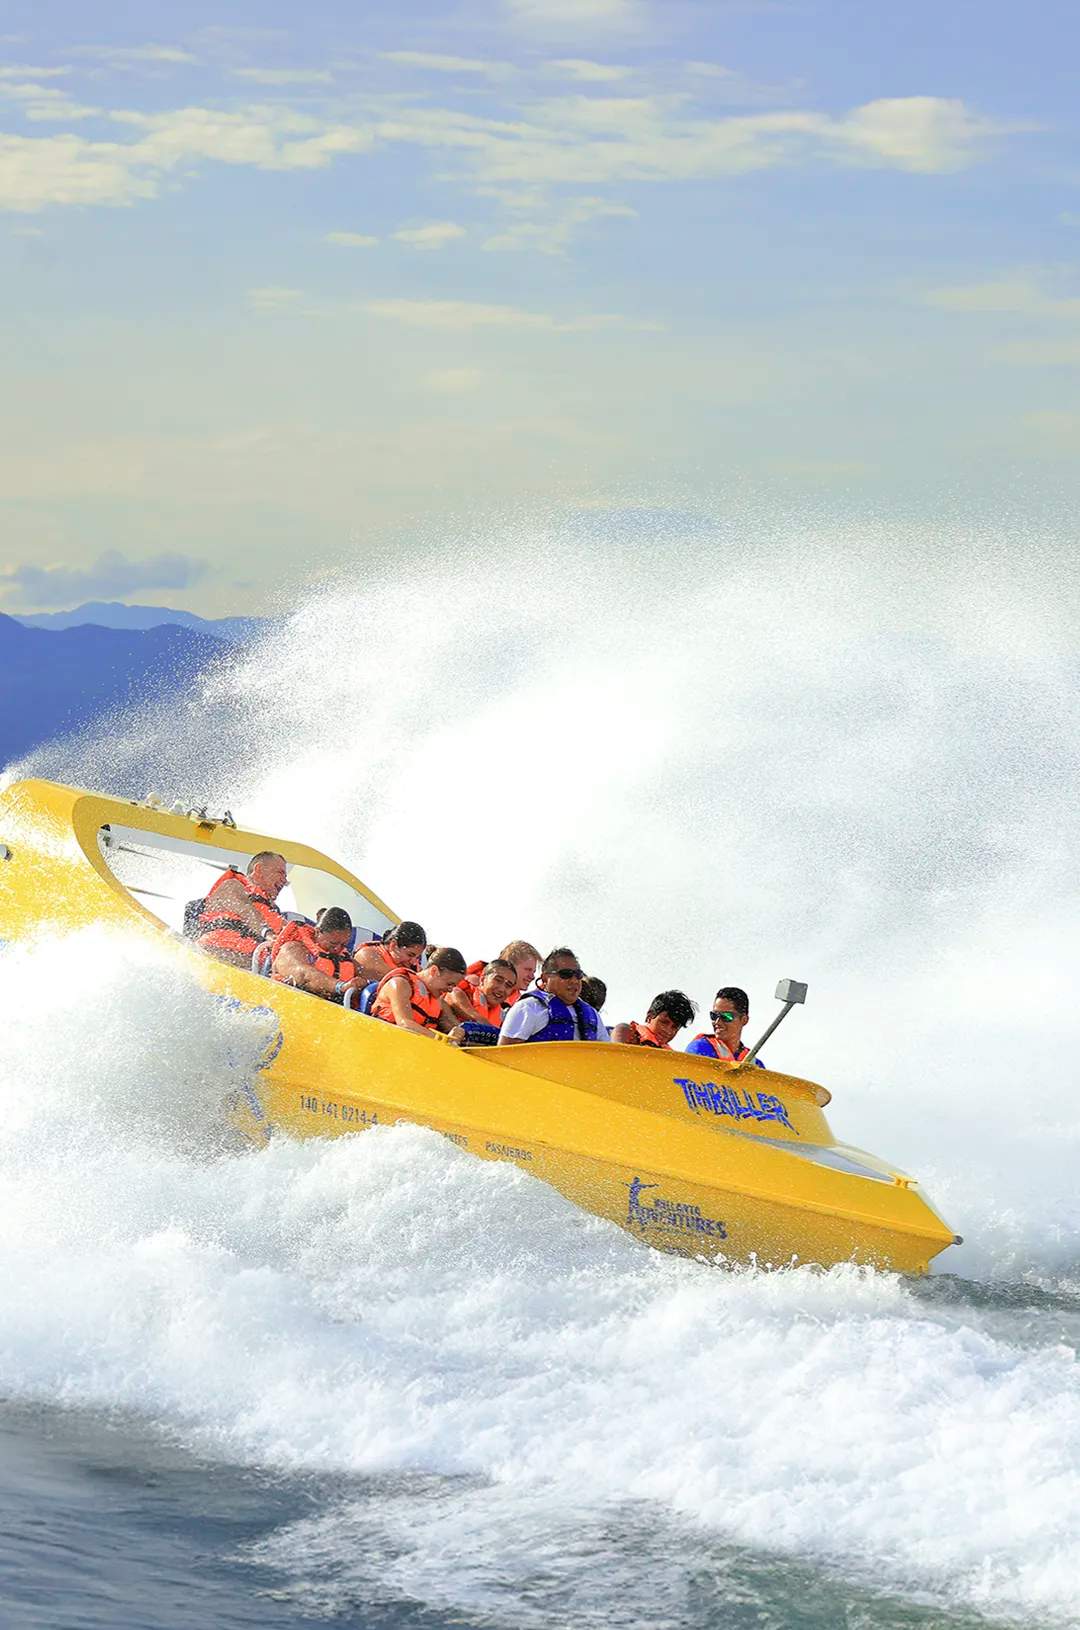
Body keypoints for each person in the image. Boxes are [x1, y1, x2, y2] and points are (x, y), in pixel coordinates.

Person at [191, 851, 287, 968]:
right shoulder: (232, 886)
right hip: (217, 953)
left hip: (254, 965)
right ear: (259, 869)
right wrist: (267, 933)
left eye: (285, 877)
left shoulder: (273, 912)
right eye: (280, 873)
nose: (284, 880)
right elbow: (246, 910)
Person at [498, 948, 611, 1045]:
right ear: (545, 978)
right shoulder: (528, 1008)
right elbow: (504, 1055)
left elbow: (606, 1056)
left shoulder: (592, 1015)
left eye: (578, 975)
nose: (574, 980)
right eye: (566, 974)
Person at [270, 906, 364, 1004]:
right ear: (318, 932)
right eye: (333, 943)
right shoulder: (291, 948)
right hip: (289, 1004)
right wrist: (340, 987)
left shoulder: (344, 958)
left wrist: (361, 984)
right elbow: (304, 974)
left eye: (343, 944)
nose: (337, 949)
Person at [371, 945, 468, 1038]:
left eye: (453, 986)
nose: (450, 990)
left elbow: (452, 1027)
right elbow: (405, 1023)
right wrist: (441, 1039)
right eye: (449, 984)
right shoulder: (400, 984)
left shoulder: (439, 1001)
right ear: (434, 971)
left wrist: (458, 1034)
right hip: (381, 1038)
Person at [685, 986, 765, 1066]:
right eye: (714, 1015)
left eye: (726, 1016)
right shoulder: (700, 1048)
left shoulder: (756, 1065)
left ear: (744, 1020)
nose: (717, 1022)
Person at [458, 939, 540, 1006]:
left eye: (533, 972)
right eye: (528, 970)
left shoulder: (519, 1003)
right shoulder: (468, 983)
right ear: (510, 965)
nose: (532, 977)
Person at [446, 958, 519, 1028]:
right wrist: (481, 1021)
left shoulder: (504, 1017)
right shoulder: (466, 992)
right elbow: (453, 993)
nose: (502, 989)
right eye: (498, 980)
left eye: (508, 985)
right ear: (482, 979)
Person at [612, 990, 696, 1049]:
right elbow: (618, 1058)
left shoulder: (670, 1056)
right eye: (664, 1022)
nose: (668, 1031)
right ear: (649, 1016)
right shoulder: (627, 1031)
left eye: (674, 1027)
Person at [354, 920, 427, 984]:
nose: (414, 962)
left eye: (417, 957)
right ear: (393, 945)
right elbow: (399, 982)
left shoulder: (412, 967)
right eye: (410, 955)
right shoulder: (368, 955)